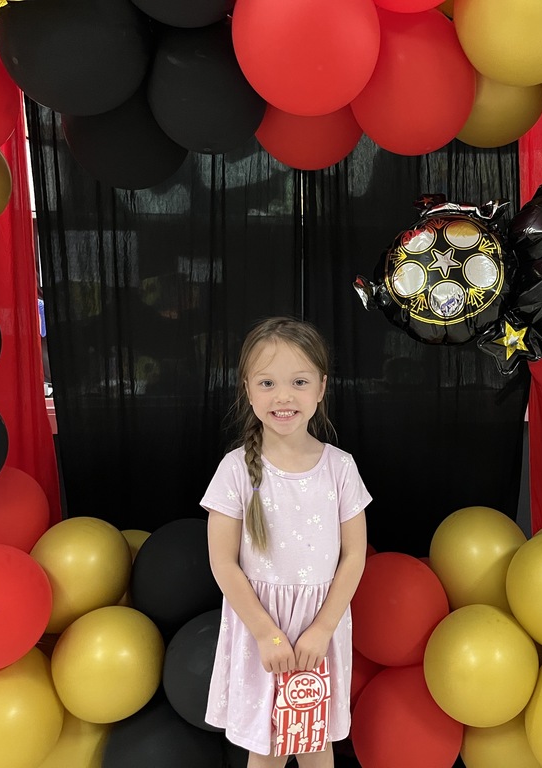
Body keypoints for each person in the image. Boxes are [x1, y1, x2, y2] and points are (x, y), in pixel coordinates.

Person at [202, 317, 371, 767]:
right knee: (270, 745)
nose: (283, 396)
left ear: (320, 388)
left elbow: (354, 556)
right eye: (268, 382)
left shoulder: (340, 468)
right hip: (264, 631)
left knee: (317, 743)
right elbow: (223, 562)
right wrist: (265, 633)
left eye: (299, 382)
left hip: (321, 628)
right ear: (248, 389)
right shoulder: (235, 470)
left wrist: (322, 628)